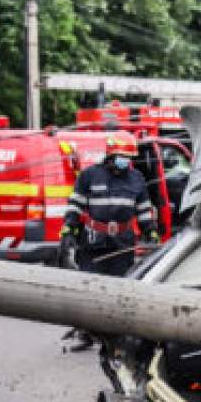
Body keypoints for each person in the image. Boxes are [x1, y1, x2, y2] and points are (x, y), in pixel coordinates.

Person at [59, 132, 158, 350]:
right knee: (89, 287)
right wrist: (68, 230)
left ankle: (116, 335)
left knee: (120, 288)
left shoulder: (137, 179)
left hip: (123, 242)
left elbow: (143, 209)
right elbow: (75, 206)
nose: (125, 161)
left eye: (129, 157)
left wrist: (150, 232)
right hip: (93, 240)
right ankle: (85, 333)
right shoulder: (89, 176)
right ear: (110, 154)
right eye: (122, 156)